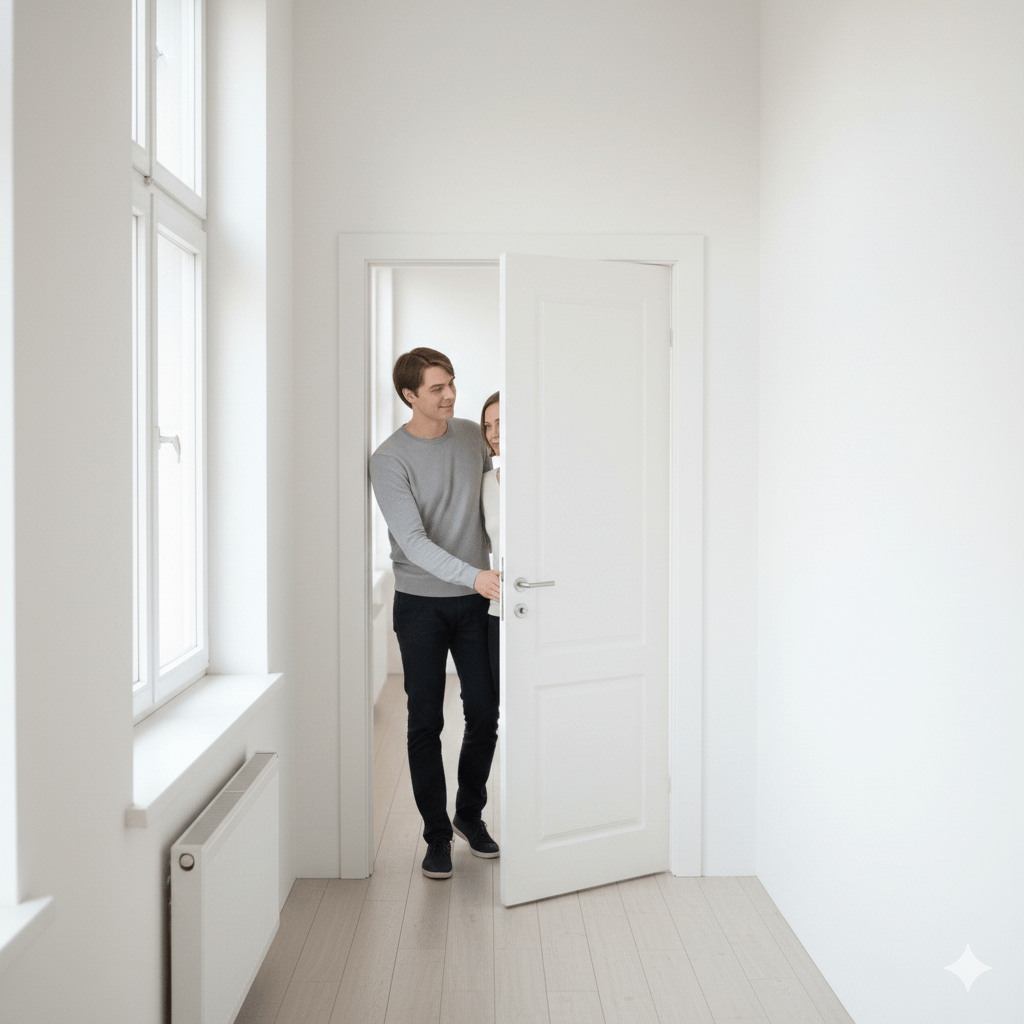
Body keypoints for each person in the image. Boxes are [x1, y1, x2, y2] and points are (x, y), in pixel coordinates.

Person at [369, 347, 501, 880]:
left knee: (486, 714)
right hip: (421, 604)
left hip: (477, 603)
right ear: (409, 396)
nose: (449, 395)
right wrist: (475, 574)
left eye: (451, 384)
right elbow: (414, 542)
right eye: (436, 389)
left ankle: (470, 813)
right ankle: (437, 835)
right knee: (426, 722)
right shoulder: (388, 458)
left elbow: (500, 503)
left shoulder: (472, 436)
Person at [480, 393, 500, 696]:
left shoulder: (547, 479)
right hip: (499, 608)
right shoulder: (484, 483)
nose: (493, 434)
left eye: (501, 423)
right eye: (487, 425)